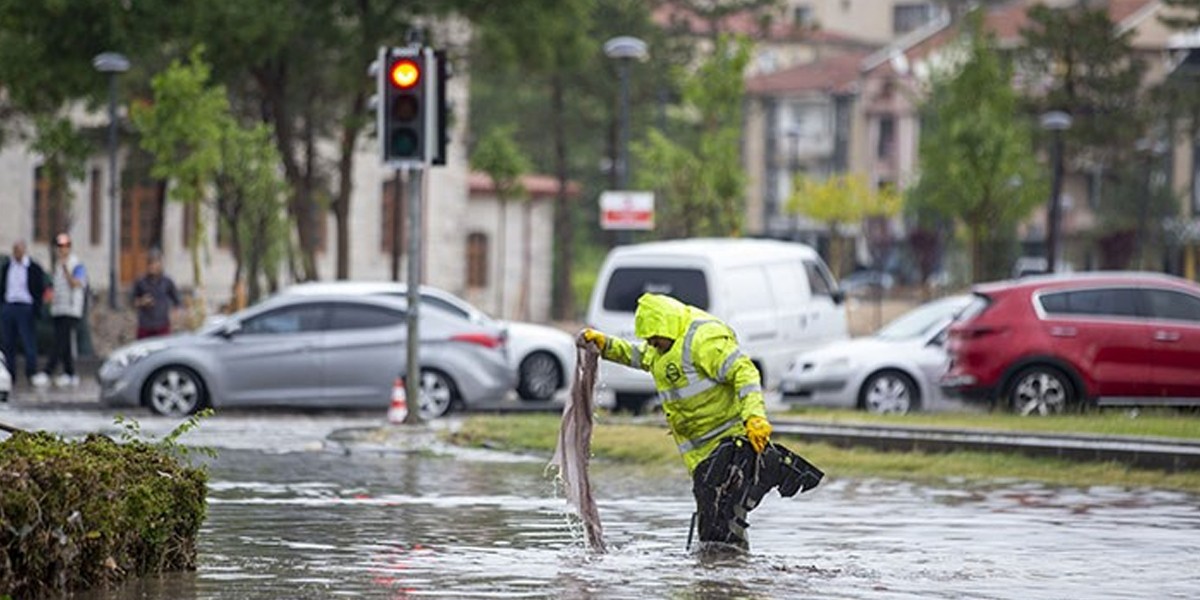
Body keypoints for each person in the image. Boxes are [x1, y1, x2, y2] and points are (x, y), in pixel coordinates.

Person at [577, 292, 777, 550]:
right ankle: (723, 574)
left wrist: (755, 417)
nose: (651, 344)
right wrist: (605, 345)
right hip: (699, 453)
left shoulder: (704, 340)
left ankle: (723, 575)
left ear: (665, 326)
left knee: (721, 514)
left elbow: (744, 371)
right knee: (716, 516)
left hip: (730, 444)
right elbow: (636, 356)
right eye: (648, 340)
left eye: (654, 339)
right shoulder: (662, 347)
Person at [39, 233, 87, 388]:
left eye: (65, 246)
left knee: (59, 342)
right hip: (59, 308)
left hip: (71, 309)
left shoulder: (76, 264)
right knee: (65, 344)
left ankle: (47, 372)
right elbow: (56, 287)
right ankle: (70, 374)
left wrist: (67, 271)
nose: (62, 249)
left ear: (69, 247)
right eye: (59, 246)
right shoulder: (58, 266)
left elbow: (77, 284)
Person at [0, 239, 48, 388]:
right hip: (9, 306)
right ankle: (10, 373)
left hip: (26, 307)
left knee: (29, 342)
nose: (17, 253)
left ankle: (31, 372)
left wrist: (36, 307)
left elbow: (40, 289)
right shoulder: (8, 267)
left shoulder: (33, 268)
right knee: (8, 343)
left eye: (19, 250)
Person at [132, 251, 181, 339]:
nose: (152, 266)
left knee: (163, 352)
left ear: (160, 264)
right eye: (150, 263)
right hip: (145, 327)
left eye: (155, 263)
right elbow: (131, 302)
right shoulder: (140, 281)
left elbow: (177, 301)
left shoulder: (167, 282)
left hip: (162, 327)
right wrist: (141, 301)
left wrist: (174, 316)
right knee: (143, 351)